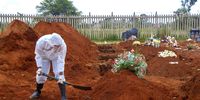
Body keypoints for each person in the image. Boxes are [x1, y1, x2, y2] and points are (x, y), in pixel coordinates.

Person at [30, 33, 67, 100]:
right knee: (41, 75)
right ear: (51, 43)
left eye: (59, 45)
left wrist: (61, 74)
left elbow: (61, 60)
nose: (58, 47)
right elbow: (38, 55)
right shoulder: (41, 42)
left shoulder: (63, 46)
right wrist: (39, 67)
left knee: (59, 75)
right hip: (44, 57)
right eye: (56, 46)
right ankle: (37, 91)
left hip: (55, 57)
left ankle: (63, 96)